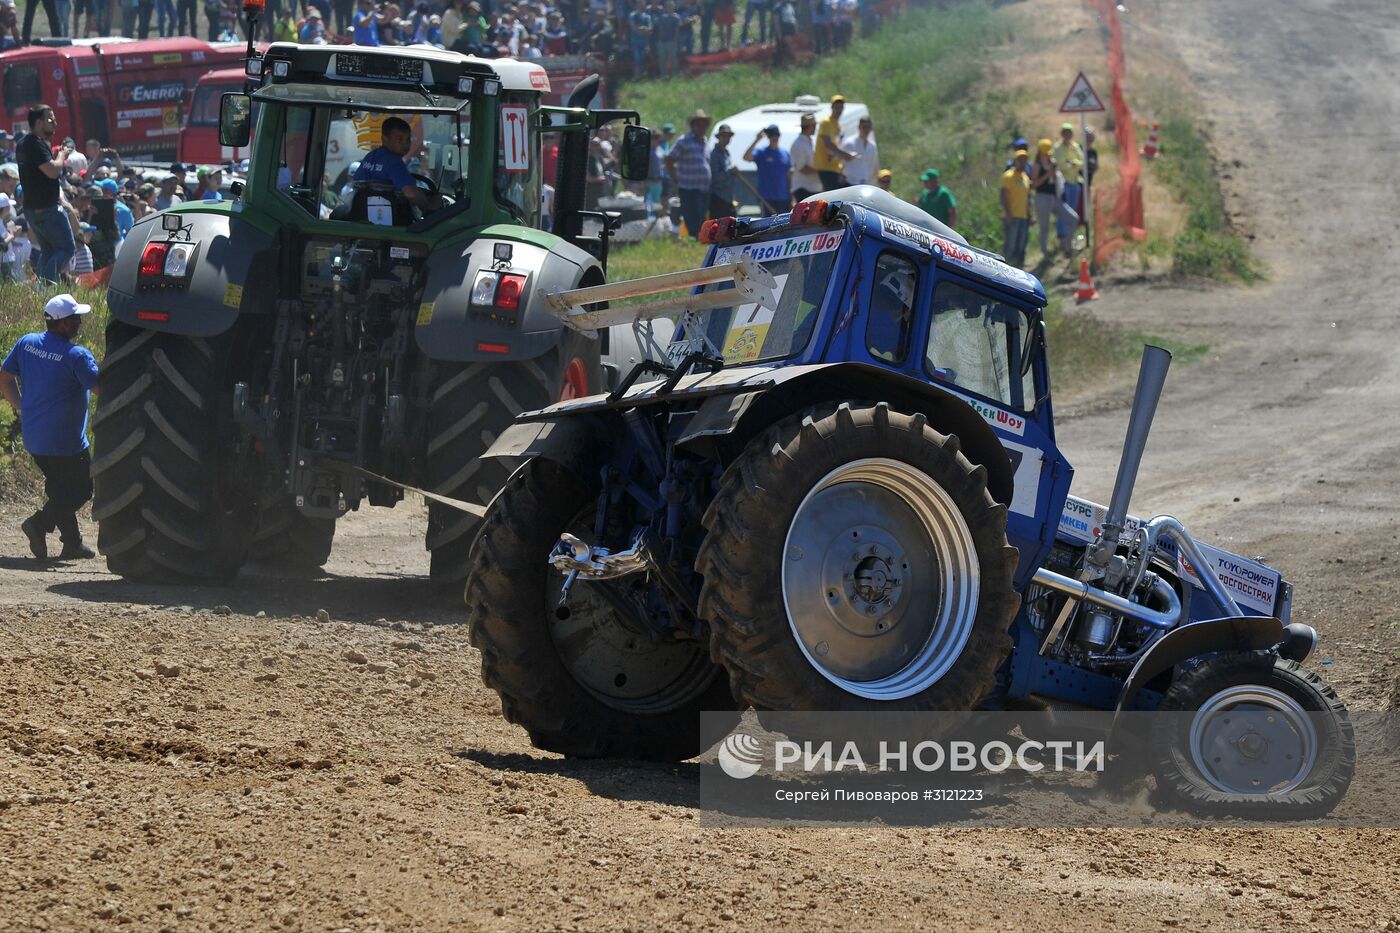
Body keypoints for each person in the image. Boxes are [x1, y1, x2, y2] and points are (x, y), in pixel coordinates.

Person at [0, 294, 100, 562]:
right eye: (75, 318)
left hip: (34, 439)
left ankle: (72, 544)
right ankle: (39, 523)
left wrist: (21, 406)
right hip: (66, 444)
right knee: (81, 491)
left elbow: (4, 378)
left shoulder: (27, 344)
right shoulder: (76, 355)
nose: (80, 321)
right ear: (63, 323)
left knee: (58, 489)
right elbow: (101, 388)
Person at [18, 106, 77, 285]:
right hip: (46, 208)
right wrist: (62, 155)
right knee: (67, 249)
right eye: (50, 120)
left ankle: (42, 289)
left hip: (33, 208)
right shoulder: (35, 143)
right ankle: (45, 289)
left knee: (50, 252)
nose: (55, 124)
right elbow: (52, 171)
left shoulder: (24, 143)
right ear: (38, 123)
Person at [354, 117, 440, 213]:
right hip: (391, 222)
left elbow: (357, 182)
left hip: (363, 216)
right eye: (400, 139)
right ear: (384, 139)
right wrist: (429, 205)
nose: (405, 144)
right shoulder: (394, 163)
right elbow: (411, 194)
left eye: (408, 140)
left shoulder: (371, 157)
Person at [664, 110, 712, 239]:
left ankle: (700, 239)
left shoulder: (705, 142)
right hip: (688, 187)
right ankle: (694, 238)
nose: (701, 128)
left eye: (703, 125)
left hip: (703, 188)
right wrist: (674, 176)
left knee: (702, 216)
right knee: (692, 216)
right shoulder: (684, 141)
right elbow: (669, 159)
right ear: (693, 126)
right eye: (698, 125)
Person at [1029, 137, 1076, 258]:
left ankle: (1066, 244)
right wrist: (1046, 175)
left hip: (1054, 198)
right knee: (1044, 227)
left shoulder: (1052, 162)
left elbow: (1055, 181)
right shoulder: (1037, 165)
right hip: (1042, 197)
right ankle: (1044, 253)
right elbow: (1034, 185)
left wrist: (1054, 173)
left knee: (1073, 218)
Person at [742, 124, 791, 215]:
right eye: (772, 135)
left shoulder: (785, 154)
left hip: (783, 197)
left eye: (776, 135)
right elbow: (746, 157)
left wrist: (792, 197)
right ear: (768, 137)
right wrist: (757, 139)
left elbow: (788, 176)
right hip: (767, 198)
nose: (774, 137)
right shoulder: (762, 152)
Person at [813, 95, 856, 190]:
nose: (839, 110)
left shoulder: (837, 125)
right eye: (836, 107)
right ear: (832, 107)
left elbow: (837, 145)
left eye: (841, 107)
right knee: (833, 198)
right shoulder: (826, 122)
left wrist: (841, 167)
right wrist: (845, 154)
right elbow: (828, 144)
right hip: (825, 167)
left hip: (834, 167)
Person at [1053, 121, 1085, 243]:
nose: (1068, 135)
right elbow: (1061, 164)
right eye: (1065, 133)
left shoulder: (1076, 146)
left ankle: (1070, 235)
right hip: (1064, 183)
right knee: (1064, 210)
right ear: (1062, 134)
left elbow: (1081, 163)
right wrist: (1071, 164)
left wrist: (1073, 163)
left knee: (1073, 209)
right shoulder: (1057, 148)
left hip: (1075, 182)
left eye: (1069, 133)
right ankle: (1062, 234)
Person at [1000, 148, 1031, 268]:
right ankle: (1005, 266)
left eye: (1025, 160)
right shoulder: (1008, 176)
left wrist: (1030, 215)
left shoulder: (1026, 178)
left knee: (1021, 244)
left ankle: (1019, 266)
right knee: (1010, 245)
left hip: (1023, 216)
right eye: (1020, 160)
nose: (1023, 162)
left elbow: (1027, 198)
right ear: (1015, 161)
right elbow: (1003, 196)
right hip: (1012, 216)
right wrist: (1008, 214)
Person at [707, 123, 736, 221]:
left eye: (728, 136)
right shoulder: (714, 154)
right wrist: (730, 172)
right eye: (724, 136)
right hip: (718, 197)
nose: (726, 138)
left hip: (728, 197)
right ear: (719, 137)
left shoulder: (726, 153)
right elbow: (714, 177)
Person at [789, 112, 819, 202]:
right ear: (809, 126)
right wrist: (822, 170)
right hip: (804, 189)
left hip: (813, 188)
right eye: (814, 125)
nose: (815, 128)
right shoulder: (798, 144)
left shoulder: (810, 142)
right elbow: (802, 168)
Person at [843, 115, 878, 186]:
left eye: (868, 127)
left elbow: (872, 165)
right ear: (859, 127)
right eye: (864, 127)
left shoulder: (872, 146)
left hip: (864, 182)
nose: (866, 130)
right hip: (850, 182)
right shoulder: (849, 143)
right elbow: (842, 162)